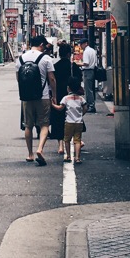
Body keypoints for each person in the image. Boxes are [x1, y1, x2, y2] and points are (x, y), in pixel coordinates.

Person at [17, 34, 57, 165]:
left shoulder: (21, 58)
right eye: (44, 46)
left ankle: (30, 154)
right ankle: (40, 149)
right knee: (44, 124)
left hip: (26, 97)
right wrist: (54, 95)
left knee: (28, 125)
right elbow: (51, 79)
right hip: (43, 96)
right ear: (41, 45)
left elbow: (18, 78)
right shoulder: (46, 58)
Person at [53, 77, 87, 164]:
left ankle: (68, 156)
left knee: (67, 139)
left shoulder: (66, 98)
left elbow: (60, 108)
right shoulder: (81, 99)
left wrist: (52, 105)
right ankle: (78, 158)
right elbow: (85, 108)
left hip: (69, 122)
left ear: (68, 88)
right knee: (77, 140)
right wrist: (81, 114)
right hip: (79, 122)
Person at [49, 42, 74, 157]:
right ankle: (76, 140)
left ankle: (60, 145)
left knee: (58, 119)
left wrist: (53, 96)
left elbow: (52, 80)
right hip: (71, 96)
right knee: (72, 118)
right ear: (69, 54)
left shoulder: (55, 66)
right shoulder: (73, 66)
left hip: (59, 95)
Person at [80, 39, 99, 114]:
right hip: (92, 70)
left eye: (81, 44)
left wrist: (78, 64)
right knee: (90, 89)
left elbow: (86, 63)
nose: (80, 46)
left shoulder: (86, 52)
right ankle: (90, 105)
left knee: (88, 90)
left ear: (85, 43)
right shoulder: (92, 50)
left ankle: (91, 106)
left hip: (88, 71)